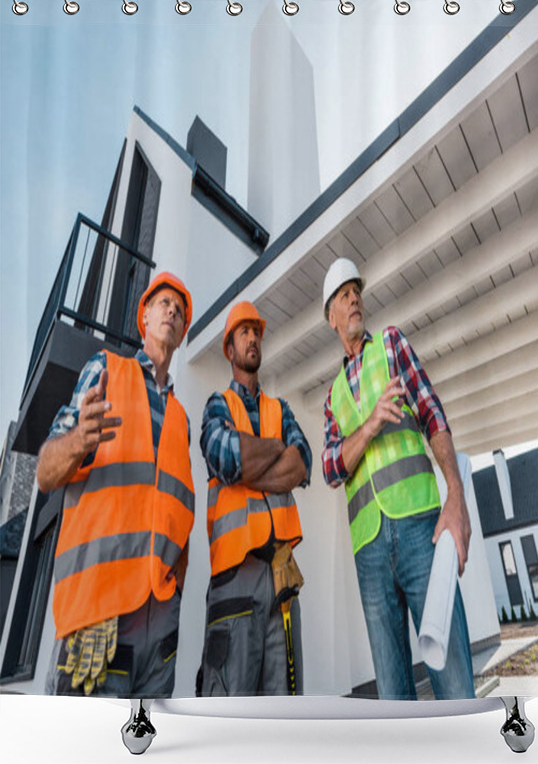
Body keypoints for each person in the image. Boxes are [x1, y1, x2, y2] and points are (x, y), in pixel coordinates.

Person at [321, 258, 475, 700]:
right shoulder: (332, 396)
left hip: (420, 529)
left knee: (455, 681)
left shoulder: (390, 345)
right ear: (331, 317)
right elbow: (332, 468)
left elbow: (431, 413)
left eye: (357, 291)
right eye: (343, 295)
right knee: (392, 696)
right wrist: (368, 426)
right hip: (368, 551)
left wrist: (456, 497)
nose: (354, 298)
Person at [38, 271, 195, 699]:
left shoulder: (181, 418)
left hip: (159, 627)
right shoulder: (105, 371)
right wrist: (76, 441)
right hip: (97, 614)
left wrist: (176, 595)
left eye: (180, 310)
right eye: (164, 302)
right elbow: (46, 473)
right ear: (144, 315)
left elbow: (180, 514)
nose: (173, 311)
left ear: (182, 334)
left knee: (144, 752)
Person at [197, 301, 311, 696]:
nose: (253, 338)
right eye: (244, 332)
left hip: (282, 577)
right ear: (229, 349)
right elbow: (227, 456)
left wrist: (251, 464)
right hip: (235, 581)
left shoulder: (281, 408)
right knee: (230, 708)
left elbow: (301, 465)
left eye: (256, 332)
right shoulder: (217, 405)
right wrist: (276, 448)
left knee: (284, 709)